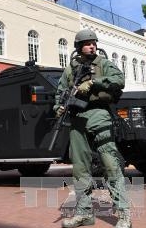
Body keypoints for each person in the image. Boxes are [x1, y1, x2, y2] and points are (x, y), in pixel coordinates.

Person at [54, 29, 131, 228]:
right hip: (77, 119)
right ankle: (84, 214)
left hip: (99, 115)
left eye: (94, 43)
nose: (92, 46)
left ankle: (123, 214)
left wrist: (94, 82)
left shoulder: (103, 63)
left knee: (110, 164)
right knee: (80, 169)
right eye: (88, 43)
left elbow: (119, 80)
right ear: (79, 46)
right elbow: (61, 91)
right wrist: (58, 106)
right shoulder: (70, 69)